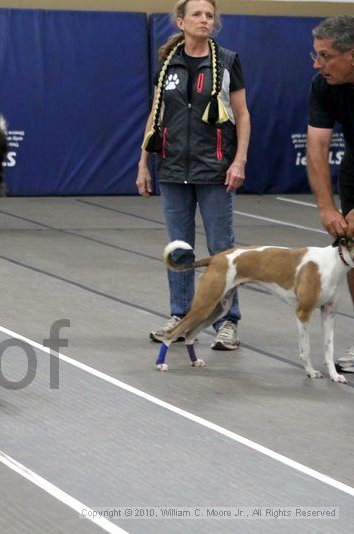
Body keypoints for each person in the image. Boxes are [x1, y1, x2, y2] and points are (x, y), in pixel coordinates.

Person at [136, 0, 250, 350]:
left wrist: (239, 161)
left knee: (221, 249)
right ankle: (181, 315)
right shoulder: (168, 63)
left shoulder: (228, 61)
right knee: (180, 247)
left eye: (209, 16)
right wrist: (143, 163)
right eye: (197, 15)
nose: (204, 20)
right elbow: (156, 115)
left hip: (215, 170)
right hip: (171, 169)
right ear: (181, 22)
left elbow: (243, 115)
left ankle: (227, 321)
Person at [306, 15, 354, 373]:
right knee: (351, 247)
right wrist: (326, 207)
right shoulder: (322, 85)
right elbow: (318, 145)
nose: (317, 63)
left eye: (325, 56)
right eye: (315, 54)